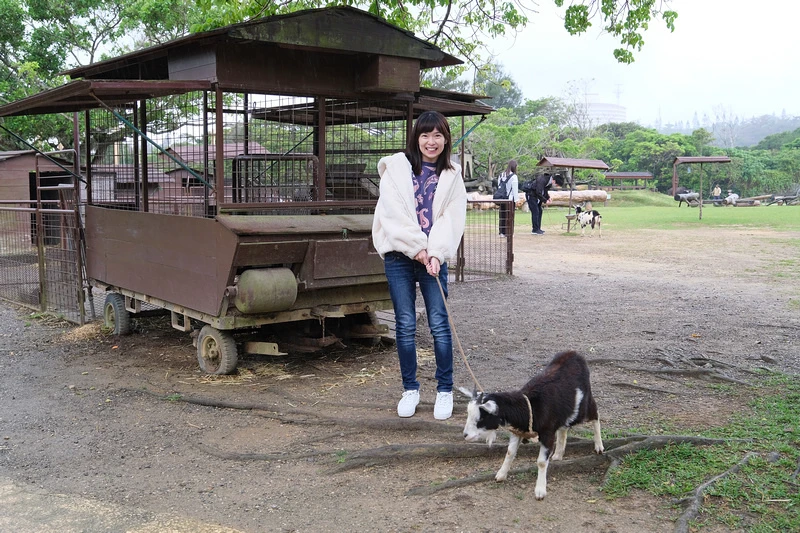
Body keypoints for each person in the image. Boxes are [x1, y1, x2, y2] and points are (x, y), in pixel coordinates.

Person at [371, 110, 467, 420]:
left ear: (445, 139)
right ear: (416, 138)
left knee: (439, 324)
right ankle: (410, 389)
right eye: (425, 135)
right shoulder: (396, 169)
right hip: (400, 256)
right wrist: (417, 249)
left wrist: (435, 252)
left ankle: (444, 390)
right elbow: (392, 214)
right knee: (406, 324)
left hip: (434, 260)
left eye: (437, 135)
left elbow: (450, 219)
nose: (431, 141)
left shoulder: (452, 175)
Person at [497, 160, 518, 237]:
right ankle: (509, 232)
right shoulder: (514, 176)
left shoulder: (501, 175)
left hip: (502, 198)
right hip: (510, 199)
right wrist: (516, 200)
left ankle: (502, 232)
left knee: (502, 215)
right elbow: (515, 190)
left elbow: (499, 186)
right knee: (510, 216)